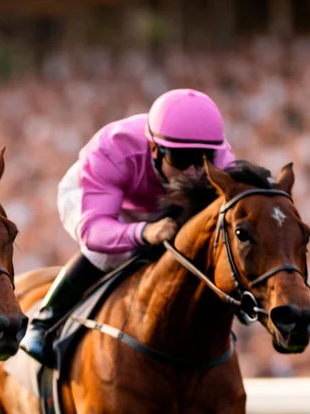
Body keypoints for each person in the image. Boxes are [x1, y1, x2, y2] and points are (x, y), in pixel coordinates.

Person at [20, 88, 237, 362]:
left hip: (158, 204)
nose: (194, 171)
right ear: (155, 149)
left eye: (203, 159)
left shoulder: (223, 161)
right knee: (110, 253)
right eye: (181, 159)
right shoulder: (112, 149)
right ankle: (43, 322)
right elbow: (94, 231)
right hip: (95, 198)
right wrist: (144, 232)